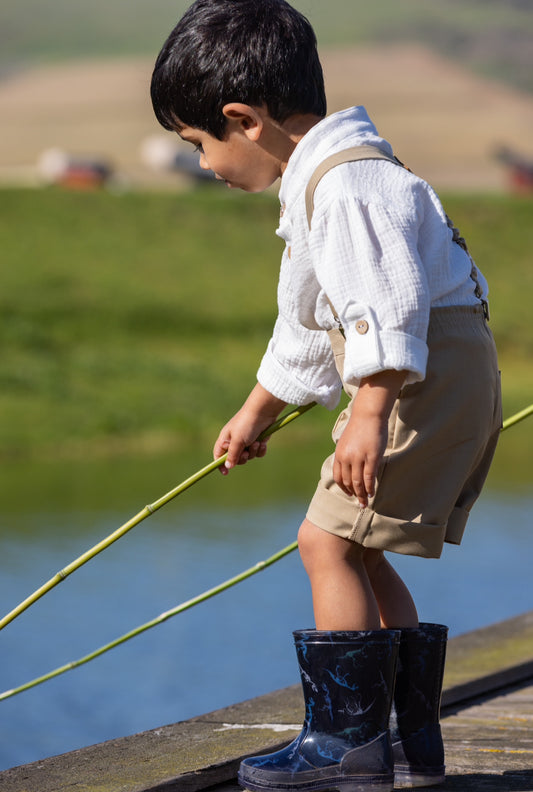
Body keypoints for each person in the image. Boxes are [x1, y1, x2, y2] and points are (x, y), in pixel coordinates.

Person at [150, 1, 502, 790]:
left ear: (243, 119)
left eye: (199, 144)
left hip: (417, 375)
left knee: (325, 543)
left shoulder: (346, 187)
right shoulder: (330, 179)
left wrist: (370, 414)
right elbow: (310, 326)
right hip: (431, 369)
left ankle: (346, 744)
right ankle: (404, 738)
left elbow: (383, 303)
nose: (203, 164)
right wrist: (255, 411)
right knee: (357, 545)